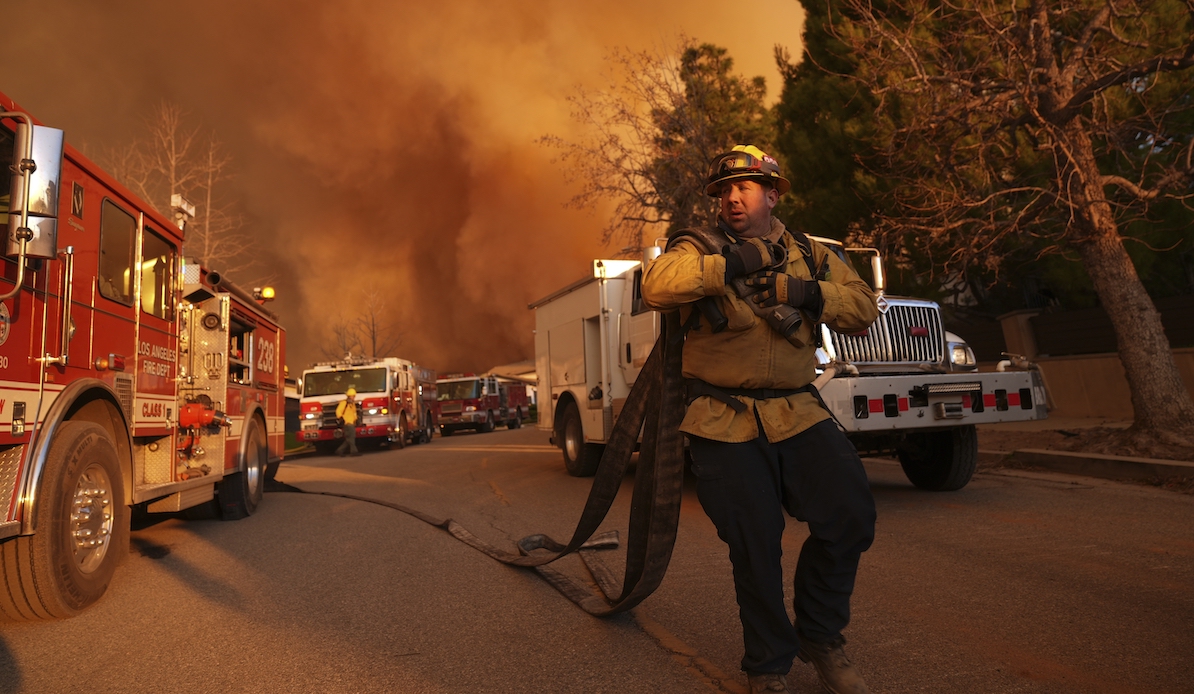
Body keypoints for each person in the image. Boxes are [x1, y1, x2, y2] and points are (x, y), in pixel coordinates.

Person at [640, 145, 880, 694]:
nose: (731, 198)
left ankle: (820, 637)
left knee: (850, 516)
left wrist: (806, 292)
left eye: (745, 187)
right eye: (724, 190)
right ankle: (768, 666)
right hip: (722, 418)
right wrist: (731, 264)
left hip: (796, 408)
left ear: (772, 195)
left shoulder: (810, 254)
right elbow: (657, 287)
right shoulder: (696, 247)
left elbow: (864, 308)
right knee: (755, 542)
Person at [335, 387, 361, 457]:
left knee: (349, 438)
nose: (353, 397)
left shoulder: (352, 404)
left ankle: (339, 451)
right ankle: (354, 452)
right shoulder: (344, 403)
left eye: (354, 396)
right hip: (347, 423)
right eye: (352, 396)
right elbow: (338, 411)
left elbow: (354, 413)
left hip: (351, 423)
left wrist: (356, 420)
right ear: (349, 396)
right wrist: (341, 418)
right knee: (352, 437)